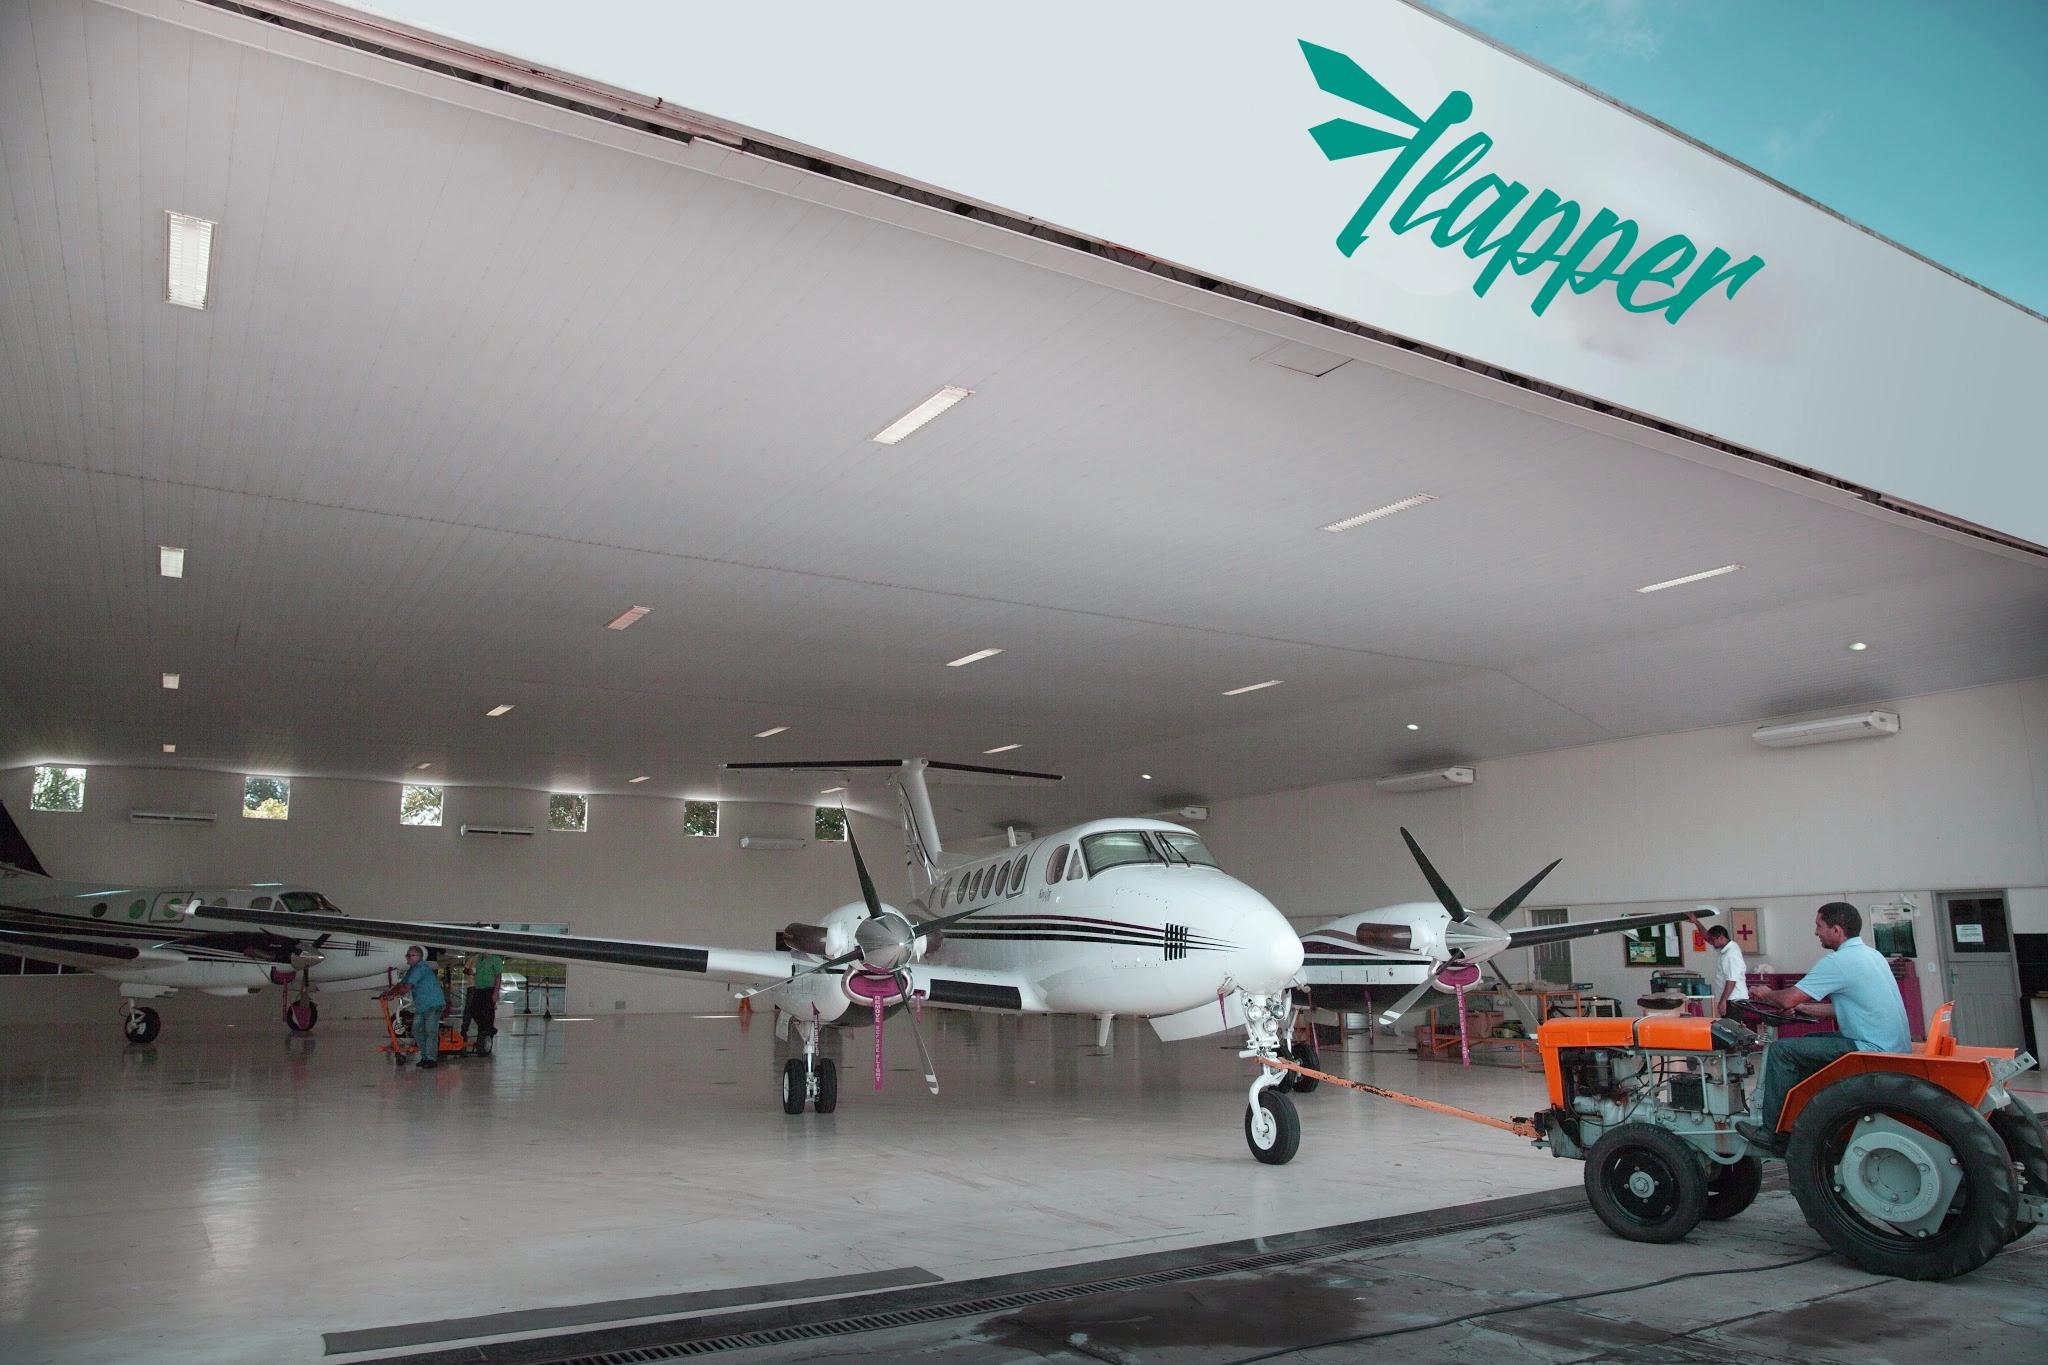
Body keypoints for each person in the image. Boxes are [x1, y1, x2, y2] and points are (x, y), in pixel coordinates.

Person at [1735, 902, 1910, 1153]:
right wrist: (1803, 1009)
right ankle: (1801, 1118)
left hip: (1870, 1048)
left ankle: (1771, 1132)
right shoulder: (1873, 955)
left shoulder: (1839, 962)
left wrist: (1766, 994)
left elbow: (1786, 998)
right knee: (1812, 1038)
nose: (1815, 932)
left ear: (1837, 930)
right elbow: (1848, 1008)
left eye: (1819, 926)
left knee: (1781, 1051)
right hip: (1889, 1044)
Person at [380, 945, 447, 1069]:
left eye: (409, 955)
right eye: (407, 955)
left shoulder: (419, 969)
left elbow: (406, 988)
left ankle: (431, 1059)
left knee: (430, 1031)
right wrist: (389, 993)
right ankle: (425, 1057)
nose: (407, 958)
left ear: (418, 957)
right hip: (422, 1005)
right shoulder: (412, 969)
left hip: (432, 1004)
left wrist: (391, 995)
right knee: (416, 1030)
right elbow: (401, 984)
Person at [1686, 913, 1749, 1017]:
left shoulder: (1731, 954)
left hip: (1733, 1000)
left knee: (1731, 1031)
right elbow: (1706, 936)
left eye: (1712, 940)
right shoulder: (1725, 947)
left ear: (1720, 938)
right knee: (1727, 1029)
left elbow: (1732, 980)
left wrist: (1723, 1001)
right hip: (1730, 999)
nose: (1710, 942)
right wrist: (1696, 922)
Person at [463, 951, 505, 1055]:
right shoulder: (478, 958)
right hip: (478, 988)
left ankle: (486, 1035)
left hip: (489, 989)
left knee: (488, 1012)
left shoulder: (496, 959)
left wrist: (495, 992)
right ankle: (487, 1029)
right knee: (473, 1010)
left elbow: (498, 976)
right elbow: (472, 971)